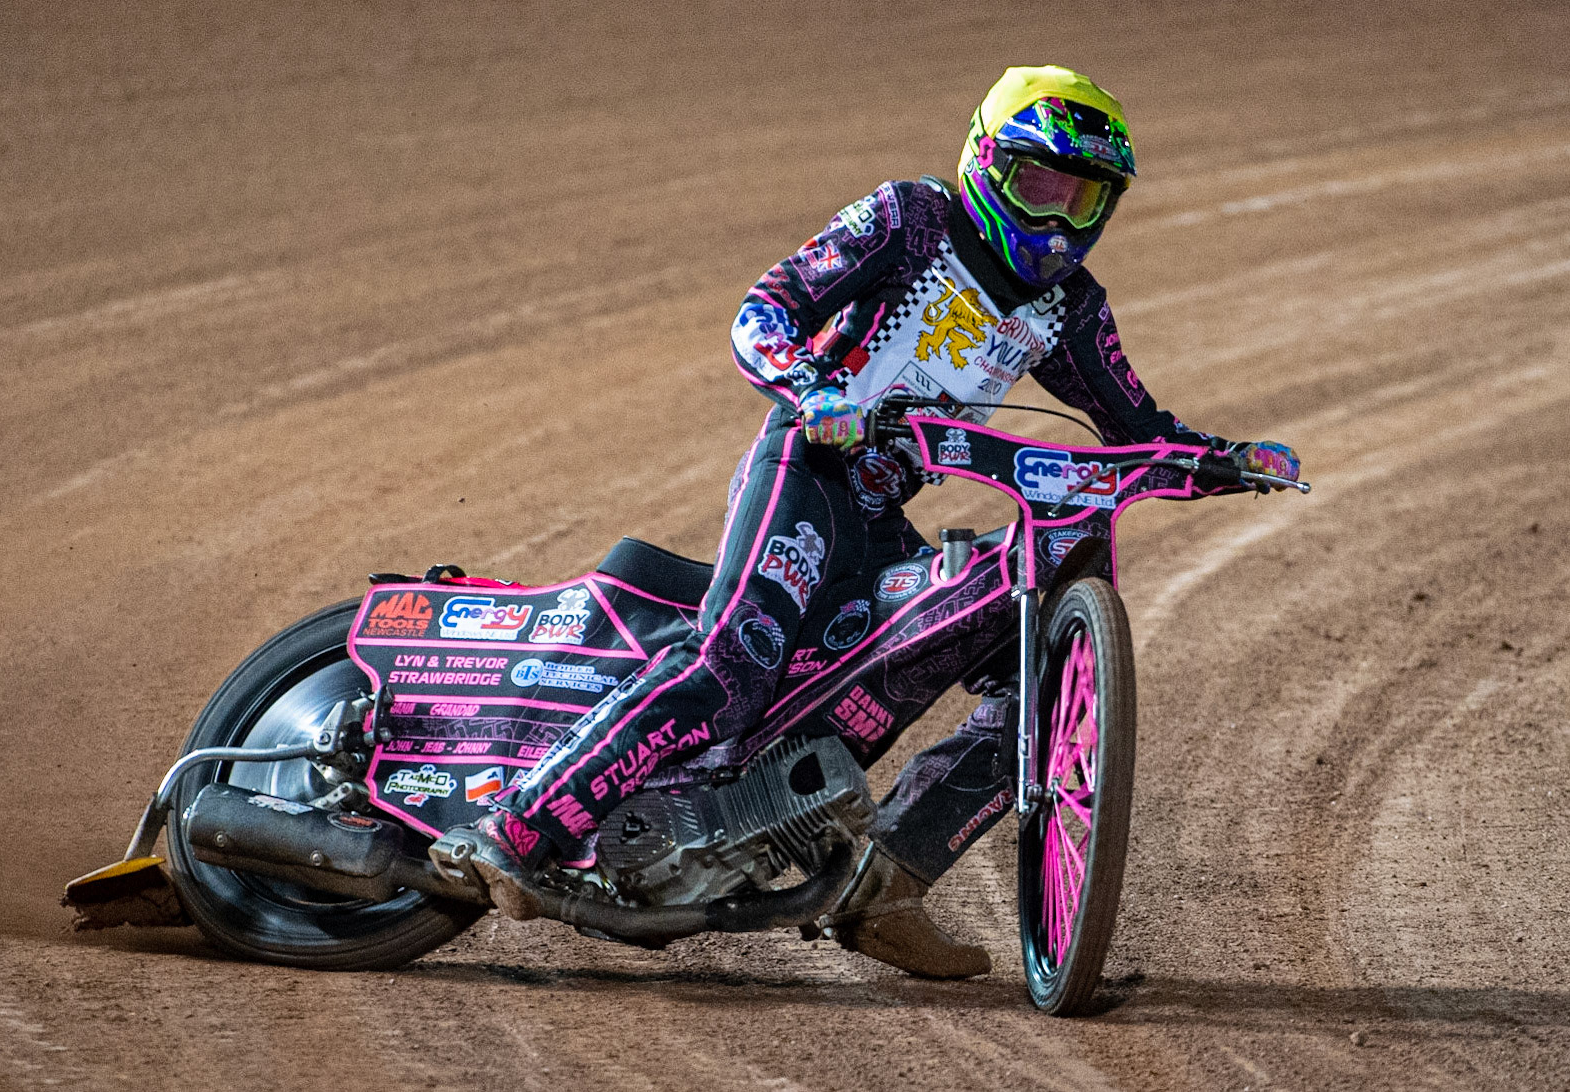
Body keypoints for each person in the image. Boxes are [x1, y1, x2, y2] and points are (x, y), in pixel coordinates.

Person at [432, 66, 1298, 977]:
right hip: (805, 472)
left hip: (883, 513)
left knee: (1030, 687)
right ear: (986, 162)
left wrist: (1222, 459)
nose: (1053, 218)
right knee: (734, 663)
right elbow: (762, 311)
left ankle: (885, 883)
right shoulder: (910, 218)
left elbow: (1136, 427)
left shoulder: (1069, 307)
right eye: (1036, 185)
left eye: (1079, 197)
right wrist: (814, 392)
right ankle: (519, 825)